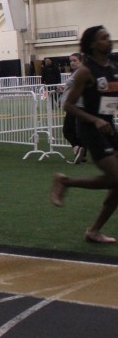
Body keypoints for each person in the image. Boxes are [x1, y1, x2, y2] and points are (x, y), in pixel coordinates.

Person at [50, 26, 118, 244]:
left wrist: (105, 119)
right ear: (92, 44)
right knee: (116, 178)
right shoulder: (85, 72)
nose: (109, 40)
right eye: (103, 38)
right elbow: (68, 106)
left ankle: (94, 231)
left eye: (108, 37)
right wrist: (95, 120)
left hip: (109, 127)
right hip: (90, 128)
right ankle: (65, 181)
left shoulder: (112, 68)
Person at [61, 52, 86, 164]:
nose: (72, 63)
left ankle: (79, 150)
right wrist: (64, 89)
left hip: (77, 105)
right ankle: (79, 151)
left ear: (81, 61)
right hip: (73, 105)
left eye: (75, 60)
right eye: (70, 61)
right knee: (71, 130)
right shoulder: (76, 72)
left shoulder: (82, 72)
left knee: (70, 130)